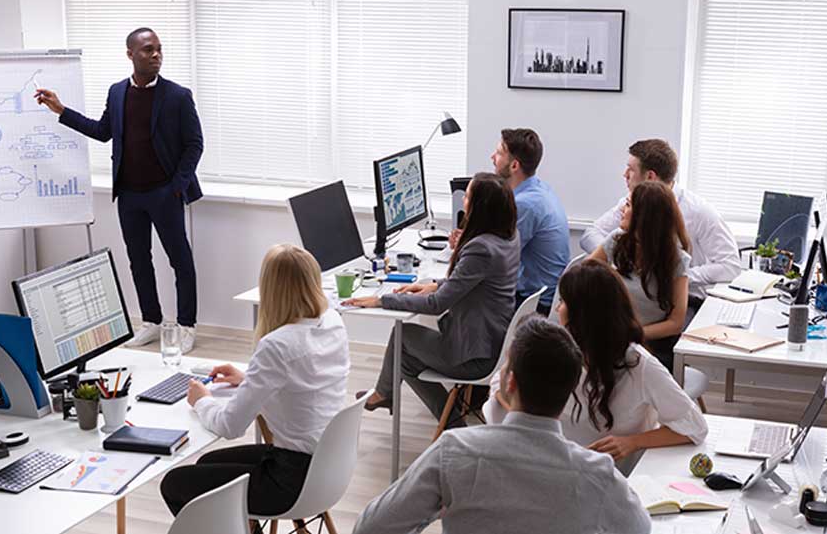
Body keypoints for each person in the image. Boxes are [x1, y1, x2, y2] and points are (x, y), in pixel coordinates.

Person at [352, 317, 651, 534]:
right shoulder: (597, 473)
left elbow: (370, 528)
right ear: (571, 390)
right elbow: (640, 529)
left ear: (510, 381)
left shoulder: (453, 452)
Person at [35, 27, 203, 353]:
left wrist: (177, 188)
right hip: (129, 195)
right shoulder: (117, 92)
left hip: (164, 194)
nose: (156, 55)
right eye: (148, 50)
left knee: (180, 261)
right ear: (130, 54)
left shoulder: (178, 96)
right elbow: (102, 132)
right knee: (139, 260)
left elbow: (194, 144)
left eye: (159, 49)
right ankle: (151, 321)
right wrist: (61, 111)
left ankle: (186, 325)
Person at [159, 244, 350, 518]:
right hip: (329, 467)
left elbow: (230, 426)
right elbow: (306, 383)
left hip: (289, 483)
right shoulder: (332, 321)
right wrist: (250, 380)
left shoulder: (277, 345)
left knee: (175, 483)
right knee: (206, 464)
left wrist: (202, 401)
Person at [485, 259, 707, 472]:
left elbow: (695, 427)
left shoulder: (638, 364)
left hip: (616, 475)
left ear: (581, 313)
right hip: (561, 470)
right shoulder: (558, 349)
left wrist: (632, 442)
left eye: (563, 302)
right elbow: (501, 384)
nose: (557, 309)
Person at [345, 173, 519, 429]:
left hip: (474, 356)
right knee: (403, 358)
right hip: (495, 342)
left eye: (468, 196)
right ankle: (447, 423)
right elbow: (471, 282)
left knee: (401, 337)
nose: (464, 201)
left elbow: (437, 304)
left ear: (480, 207)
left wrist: (383, 300)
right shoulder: (508, 236)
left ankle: (386, 396)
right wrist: (433, 285)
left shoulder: (480, 248)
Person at [580, 139, 739, 303]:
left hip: (681, 301)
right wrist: (615, 257)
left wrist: (678, 278)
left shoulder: (699, 212)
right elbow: (590, 234)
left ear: (650, 176)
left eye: (631, 169)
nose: (624, 174)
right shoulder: (629, 203)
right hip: (635, 296)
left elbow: (730, 267)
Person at [451, 129, 569, 315]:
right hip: (543, 293)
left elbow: (496, 258)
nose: (492, 157)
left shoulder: (524, 205)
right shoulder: (538, 189)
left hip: (535, 303)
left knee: (459, 299)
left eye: (498, 153)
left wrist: (463, 247)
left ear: (514, 165)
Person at [588, 181, 691, 370]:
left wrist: (632, 334)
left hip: (651, 344)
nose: (622, 210)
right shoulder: (617, 240)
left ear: (643, 217)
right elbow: (582, 275)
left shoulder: (677, 260)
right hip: (614, 337)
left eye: (627, 205)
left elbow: (675, 323)